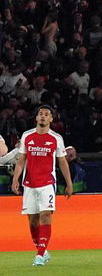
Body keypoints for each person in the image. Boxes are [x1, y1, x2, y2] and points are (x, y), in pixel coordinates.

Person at [14, 105, 72, 266]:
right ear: (36, 118)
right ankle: (43, 251)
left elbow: (62, 162)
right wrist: (15, 179)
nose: (43, 116)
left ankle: (39, 256)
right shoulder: (27, 136)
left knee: (45, 216)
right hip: (29, 184)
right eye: (41, 114)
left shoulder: (56, 138)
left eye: (46, 114)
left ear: (51, 119)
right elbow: (21, 160)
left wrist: (69, 183)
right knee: (33, 221)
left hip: (47, 183)